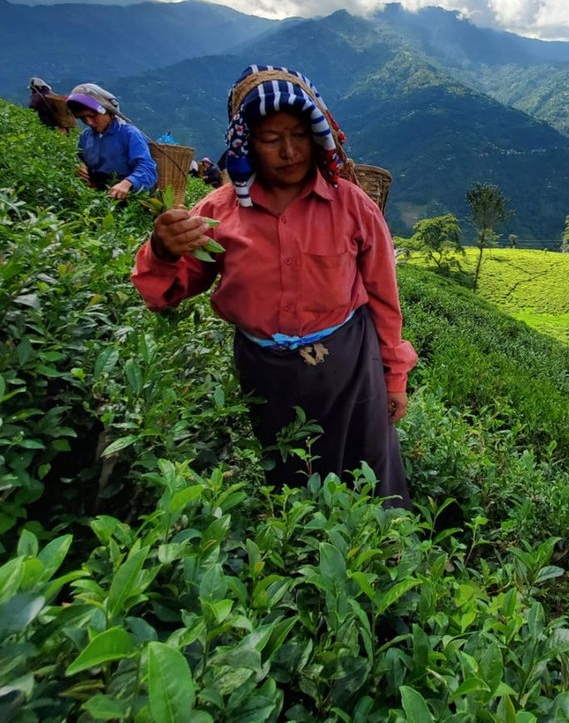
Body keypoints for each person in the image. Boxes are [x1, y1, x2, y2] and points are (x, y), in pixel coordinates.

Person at [131, 64, 417, 508]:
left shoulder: (352, 207)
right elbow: (162, 293)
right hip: (265, 370)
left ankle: (388, 558)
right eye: (270, 139)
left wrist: (394, 375)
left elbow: (383, 295)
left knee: (368, 467)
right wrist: (163, 250)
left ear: (316, 136)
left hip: (349, 361)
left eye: (298, 135)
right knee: (286, 474)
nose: (288, 152)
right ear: (246, 143)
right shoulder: (218, 212)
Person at [67, 83, 158, 200]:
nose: (89, 122)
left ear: (108, 112)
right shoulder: (86, 135)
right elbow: (78, 156)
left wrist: (127, 183)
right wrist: (79, 166)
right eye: (83, 118)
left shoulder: (129, 134)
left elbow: (148, 169)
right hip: (95, 195)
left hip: (126, 199)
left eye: (93, 116)